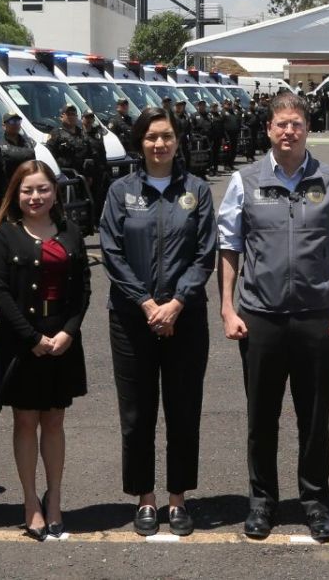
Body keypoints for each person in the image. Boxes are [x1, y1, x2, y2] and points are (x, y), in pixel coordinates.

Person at [217, 92, 329, 543]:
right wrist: (226, 306)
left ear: (307, 129)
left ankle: (315, 501)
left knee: (314, 417)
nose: (288, 131)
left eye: (296, 123)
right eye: (281, 123)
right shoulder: (245, 181)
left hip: (317, 316)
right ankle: (262, 502)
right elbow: (229, 247)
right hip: (260, 316)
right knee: (262, 417)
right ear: (268, 130)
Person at [99, 107, 217, 538]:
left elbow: (205, 253)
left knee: (183, 411)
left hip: (185, 320)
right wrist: (148, 304)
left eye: (166, 136)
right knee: (137, 413)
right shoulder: (120, 191)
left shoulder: (198, 191)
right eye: (151, 137)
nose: (159, 144)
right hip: (132, 320)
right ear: (140, 142)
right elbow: (111, 251)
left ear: (177, 140)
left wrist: (176, 303)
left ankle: (178, 497)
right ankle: (145, 498)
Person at [0, 160, 90, 541]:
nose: (35, 197)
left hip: (61, 339)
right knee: (26, 422)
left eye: (42, 189)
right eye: (27, 190)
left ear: (55, 192)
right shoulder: (5, 235)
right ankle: (31, 503)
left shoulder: (71, 232)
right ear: (16, 193)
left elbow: (83, 292)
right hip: (21, 341)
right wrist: (32, 338)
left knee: (55, 422)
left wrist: (68, 333)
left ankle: (56, 500)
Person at [0, 111, 36, 177]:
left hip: (27, 180)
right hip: (10, 183)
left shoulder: (28, 141)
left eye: (18, 121)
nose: (15, 124)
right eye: (12, 122)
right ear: (4, 126)